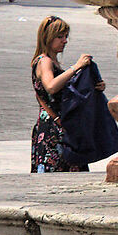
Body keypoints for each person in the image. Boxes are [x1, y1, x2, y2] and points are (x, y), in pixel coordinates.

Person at [31, 16, 96, 173]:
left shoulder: (52, 62)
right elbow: (51, 86)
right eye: (60, 37)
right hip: (53, 129)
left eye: (66, 36)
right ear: (48, 37)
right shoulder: (44, 61)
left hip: (59, 126)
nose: (64, 41)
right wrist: (76, 67)